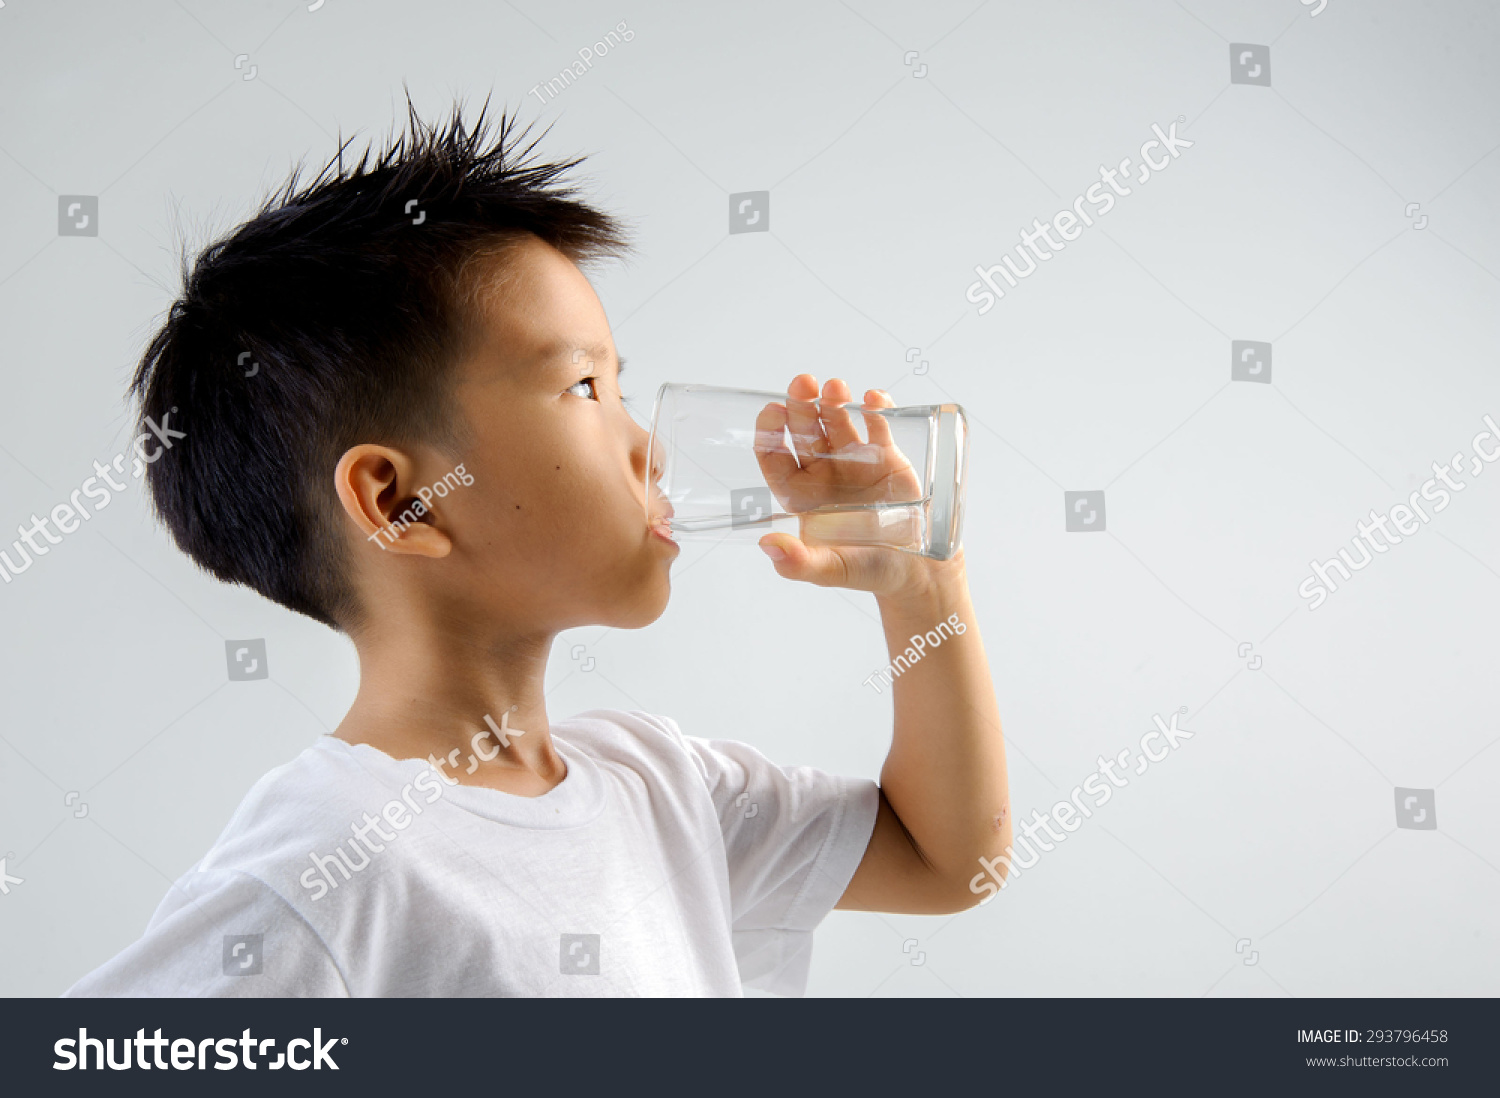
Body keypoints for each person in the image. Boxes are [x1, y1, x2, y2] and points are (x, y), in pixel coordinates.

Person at [64, 94, 1011, 997]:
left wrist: (923, 585)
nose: (649, 447)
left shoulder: (656, 786)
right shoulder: (323, 870)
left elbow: (949, 859)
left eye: (620, 388)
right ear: (401, 503)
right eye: (585, 391)